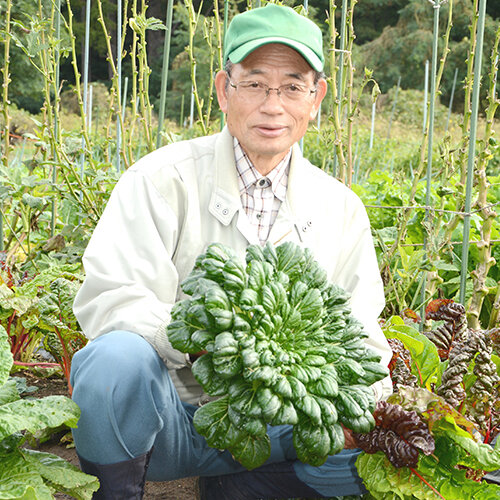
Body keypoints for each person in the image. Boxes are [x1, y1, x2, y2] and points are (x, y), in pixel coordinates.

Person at [71, 4, 393, 499]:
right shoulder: (160, 180)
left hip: (281, 428)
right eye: (255, 83)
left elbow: (362, 337)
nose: (273, 105)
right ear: (224, 90)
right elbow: (112, 299)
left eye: (292, 86)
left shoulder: (342, 210)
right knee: (112, 362)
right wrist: (209, 340)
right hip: (173, 418)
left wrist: (367, 405)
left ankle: (248, 482)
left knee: (370, 446)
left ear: (316, 98)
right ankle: (118, 491)